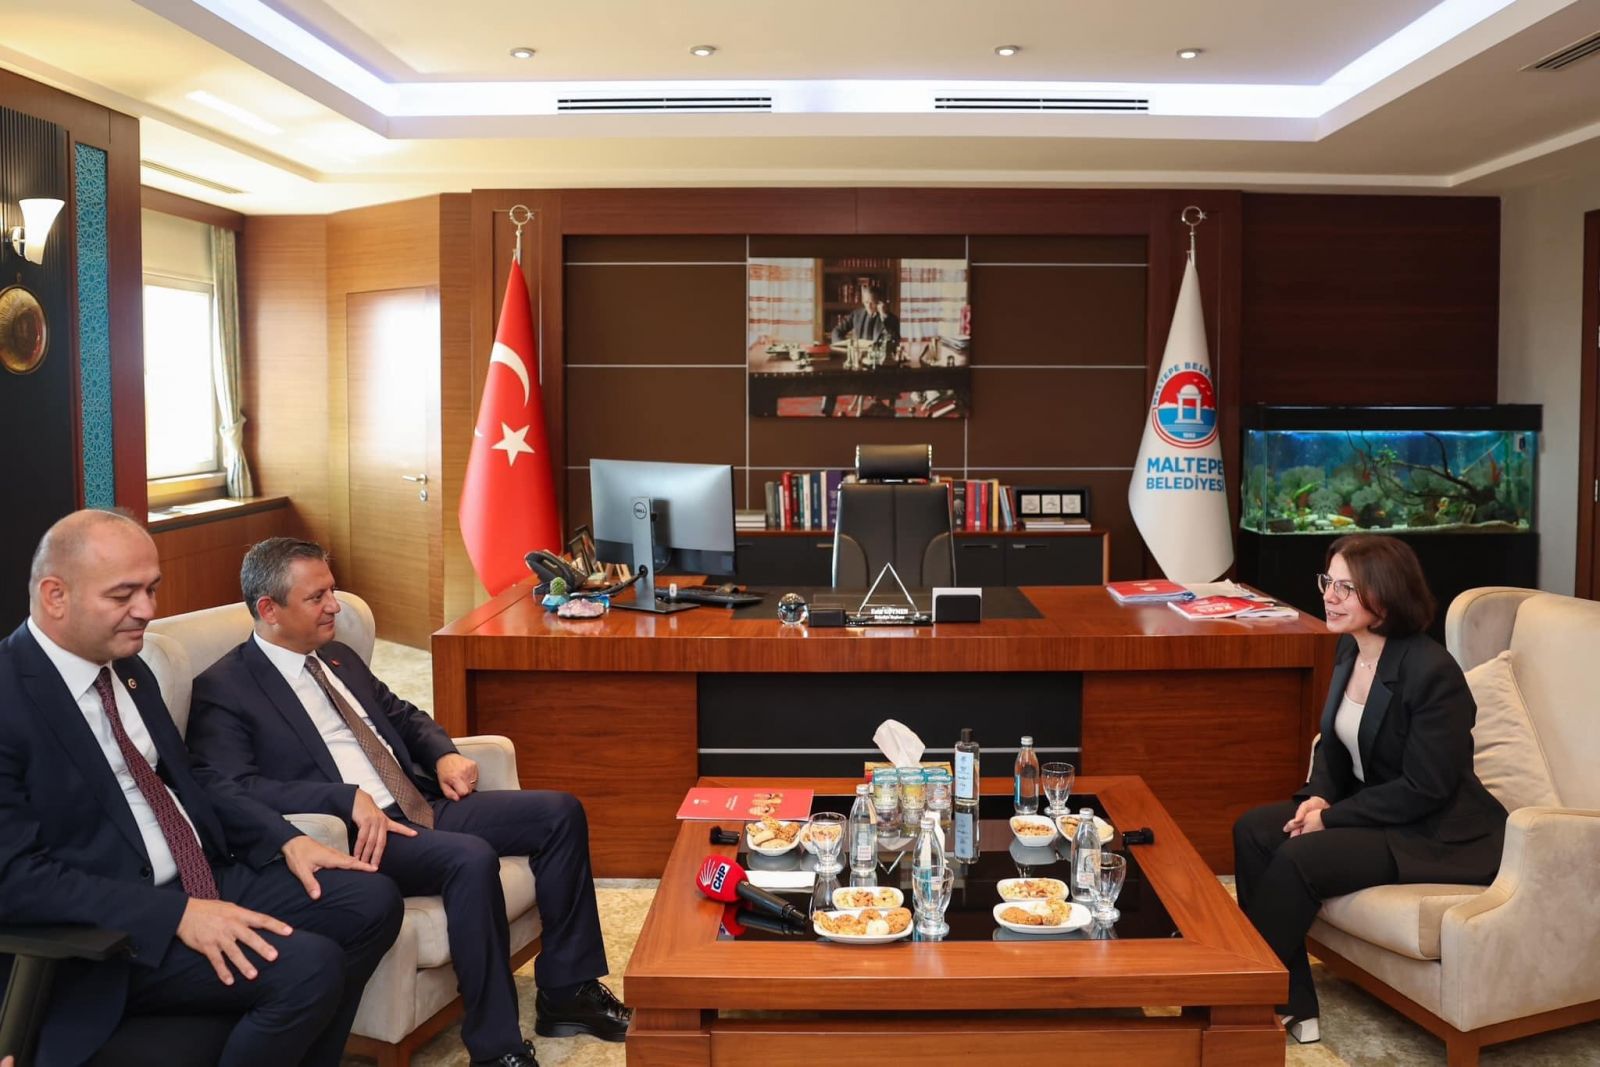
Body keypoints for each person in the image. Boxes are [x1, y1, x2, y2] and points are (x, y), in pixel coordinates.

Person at [186, 538, 631, 1067]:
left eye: (332, 591)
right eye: (317, 597)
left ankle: (567, 992)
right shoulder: (225, 688)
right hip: (361, 836)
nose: (334, 606)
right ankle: (497, 1048)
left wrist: (443, 754)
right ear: (269, 610)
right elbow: (233, 787)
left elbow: (401, 715)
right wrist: (341, 798)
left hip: (418, 802)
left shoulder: (336, 656)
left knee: (559, 813)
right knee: (469, 858)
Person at [0, 510, 403, 1067]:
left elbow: (190, 781)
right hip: (113, 927)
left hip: (202, 874)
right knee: (309, 968)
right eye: (123, 594)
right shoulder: (9, 697)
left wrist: (283, 838)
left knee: (370, 901)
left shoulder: (129, 669)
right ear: (55, 596)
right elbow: (15, 879)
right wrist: (176, 916)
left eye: (151, 589)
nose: (147, 610)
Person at [1232, 534, 1507, 1043]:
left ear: (1387, 595)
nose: (1329, 596)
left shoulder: (1432, 672)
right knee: (1253, 830)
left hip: (1433, 830)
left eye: (1347, 588)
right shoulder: (1350, 649)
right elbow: (1334, 745)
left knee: (1298, 857)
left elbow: (1426, 787)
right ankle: (1292, 1000)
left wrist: (1330, 818)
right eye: (1328, 582)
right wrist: (1318, 795)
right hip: (1376, 810)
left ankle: (1239, 996)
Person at [830, 282, 900, 351]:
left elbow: (895, 339)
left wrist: (884, 316)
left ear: (879, 302)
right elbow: (836, 332)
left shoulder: (890, 319)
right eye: (866, 302)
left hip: (878, 355)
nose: (869, 306)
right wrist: (847, 346)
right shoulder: (857, 315)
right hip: (859, 354)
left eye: (872, 302)